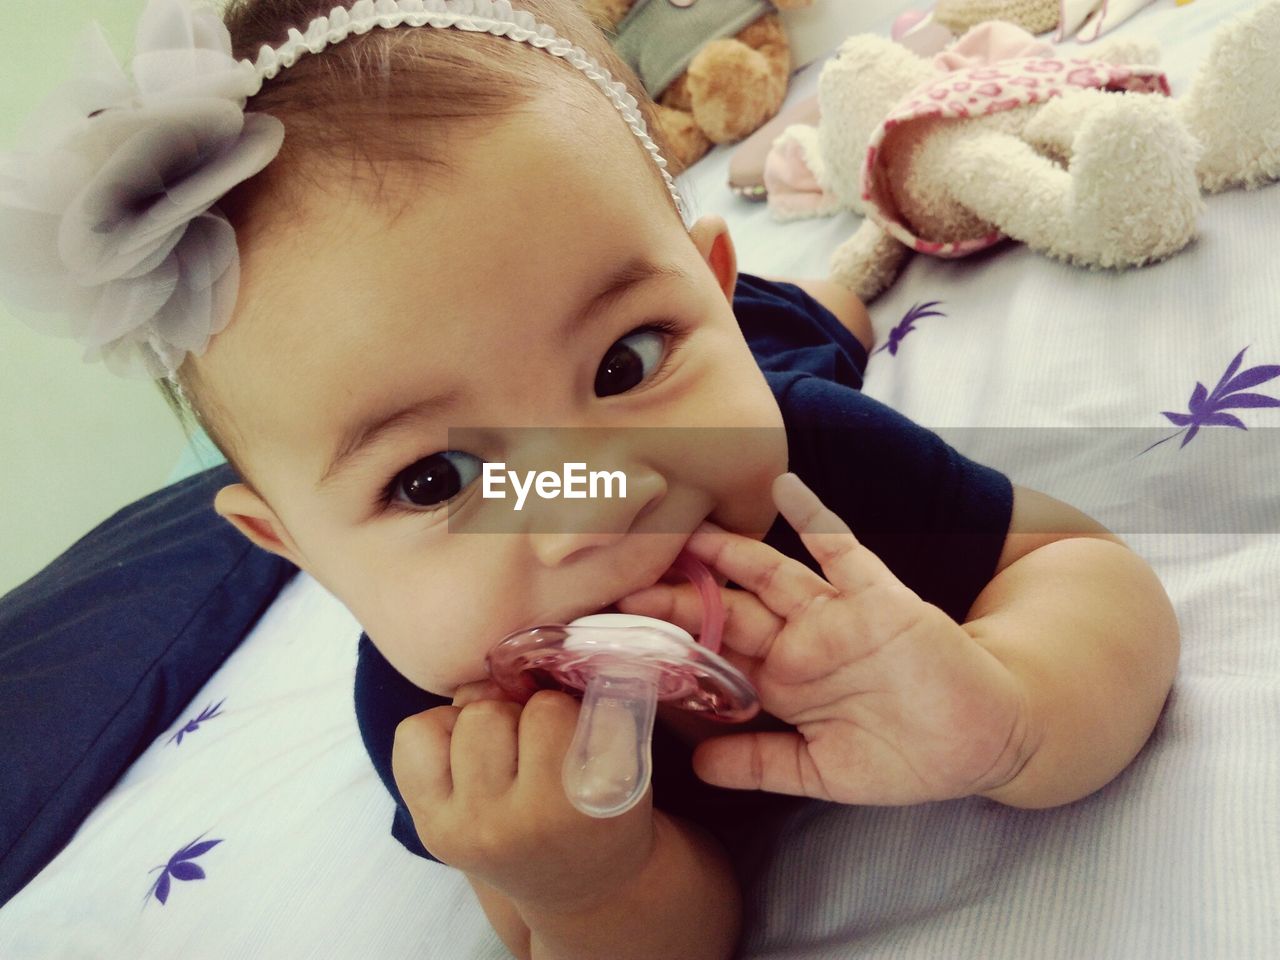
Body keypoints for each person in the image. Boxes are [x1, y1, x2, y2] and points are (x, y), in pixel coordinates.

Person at [0, 1, 1180, 958]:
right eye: (432, 480)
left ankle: (801, 300)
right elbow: (654, 938)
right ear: (296, 550)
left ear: (697, 287)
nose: (589, 491)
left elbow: (1070, 561)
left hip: (755, 362)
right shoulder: (441, 724)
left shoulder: (811, 474)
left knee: (815, 334)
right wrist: (587, 888)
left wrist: (1014, 714)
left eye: (627, 356)